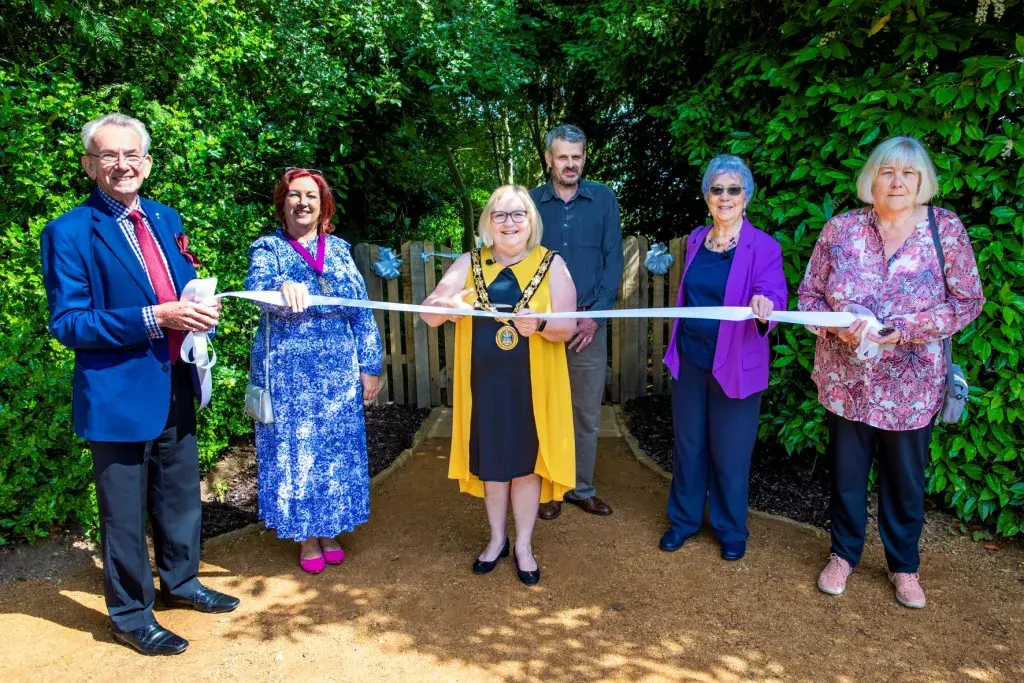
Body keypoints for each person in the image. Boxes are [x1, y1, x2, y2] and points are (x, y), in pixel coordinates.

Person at [40, 113, 238, 656]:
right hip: (117, 393)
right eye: (108, 155)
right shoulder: (69, 232)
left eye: (132, 155)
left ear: (147, 163)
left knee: (179, 498)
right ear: (89, 165)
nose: (121, 165)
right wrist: (157, 318)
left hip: (176, 378)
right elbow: (69, 323)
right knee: (123, 514)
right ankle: (130, 615)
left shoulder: (165, 216)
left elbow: (176, 285)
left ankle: (180, 583)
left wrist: (197, 306)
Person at [798, 136, 984, 608]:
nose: (897, 182)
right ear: (871, 179)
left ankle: (904, 566)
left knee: (904, 479)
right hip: (848, 383)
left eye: (908, 173)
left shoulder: (946, 229)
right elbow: (808, 300)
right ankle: (843, 555)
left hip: (913, 387)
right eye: (887, 171)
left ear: (922, 182)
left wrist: (904, 330)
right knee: (846, 475)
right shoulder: (840, 229)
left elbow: (967, 303)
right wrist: (836, 331)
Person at [421, 185, 576, 585]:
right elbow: (428, 313)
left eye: (518, 214)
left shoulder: (552, 263)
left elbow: (567, 326)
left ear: (531, 221)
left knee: (525, 466)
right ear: (488, 222)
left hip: (531, 388)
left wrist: (540, 324)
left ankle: (523, 545)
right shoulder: (469, 263)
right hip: (483, 387)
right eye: (500, 215)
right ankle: (496, 540)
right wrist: (449, 305)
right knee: (493, 466)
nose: (510, 223)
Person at [244, 168, 383, 574]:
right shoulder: (267, 249)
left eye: (311, 196)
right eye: (294, 195)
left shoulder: (339, 248)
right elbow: (257, 293)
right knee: (297, 451)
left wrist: (369, 364)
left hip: (338, 369)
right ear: (282, 202)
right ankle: (306, 535)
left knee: (336, 450)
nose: (302, 202)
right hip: (288, 370)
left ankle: (329, 529)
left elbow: (361, 308)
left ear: (323, 205)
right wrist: (280, 290)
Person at [660, 154, 787, 560]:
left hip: (736, 365)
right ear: (707, 196)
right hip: (691, 360)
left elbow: (774, 293)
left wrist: (765, 303)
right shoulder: (697, 239)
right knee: (689, 445)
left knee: (731, 453)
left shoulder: (763, 246)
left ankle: (731, 528)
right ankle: (683, 521)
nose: (725, 197)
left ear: (746, 196)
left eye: (734, 189)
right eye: (717, 189)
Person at [531, 124, 623, 520]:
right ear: (549, 159)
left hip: (588, 326)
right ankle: (548, 490)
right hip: (539, 328)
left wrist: (595, 317)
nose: (571, 164)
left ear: (584, 157)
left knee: (586, 411)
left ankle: (581, 487)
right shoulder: (531, 202)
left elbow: (614, 260)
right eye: (563, 156)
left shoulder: (603, 199)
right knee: (543, 409)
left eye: (577, 156)